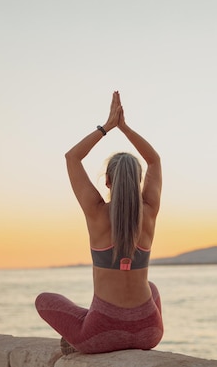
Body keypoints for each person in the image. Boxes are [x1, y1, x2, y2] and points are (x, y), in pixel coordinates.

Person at [35, 91, 164, 354]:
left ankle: (90, 321)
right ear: (139, 181)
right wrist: (125, 128)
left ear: (107, 181)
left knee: (44, 300)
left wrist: (107, 127)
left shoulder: (95, 211)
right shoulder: (149, 211)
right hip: (149, 332)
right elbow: (154, 160)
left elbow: (72, 157)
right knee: (150, 288)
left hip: (102, 333)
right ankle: (99, 317)